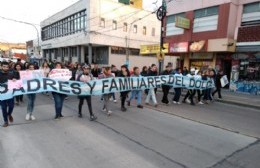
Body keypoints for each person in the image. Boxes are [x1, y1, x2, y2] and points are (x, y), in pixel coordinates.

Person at [0, 62, 17, 127]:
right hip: (1, 95)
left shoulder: (11, 73)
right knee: (3, 108)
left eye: (7, 67)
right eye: (4, 67)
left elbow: (17, 78)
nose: (5, 68)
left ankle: (9, 114)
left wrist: (15, 79)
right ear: (1, 67)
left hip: (10, 93)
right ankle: (5, 121)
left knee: (11, 106)